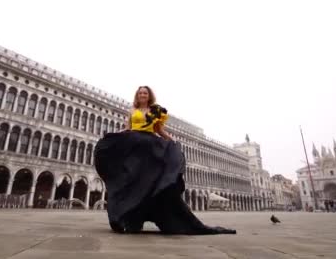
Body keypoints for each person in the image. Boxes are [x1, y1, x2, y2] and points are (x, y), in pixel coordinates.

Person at [94, 86, 236, 235]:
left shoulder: (156, 111)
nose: (143, 95)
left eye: (145, 93)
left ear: (149, 96)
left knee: (147, 183)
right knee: (132, 182)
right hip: (134, 146)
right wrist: (113, 136)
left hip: (149, 147)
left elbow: (159, 130)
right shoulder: (131, 111)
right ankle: (131, 219)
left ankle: (140, 217)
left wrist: (172, 142)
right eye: (140, 93)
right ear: (137, 95)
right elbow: (127, 128)